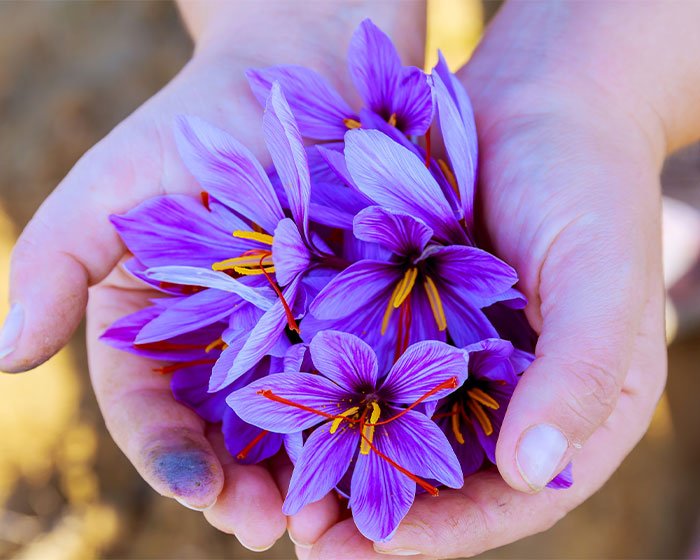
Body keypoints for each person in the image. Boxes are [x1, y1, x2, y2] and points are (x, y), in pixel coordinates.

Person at [1, 1, 694, 557]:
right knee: (602, 236)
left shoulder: (364, 269)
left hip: (431, 275)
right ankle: (640, 223)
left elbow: (386, 284)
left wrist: (594, 103)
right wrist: (592, 92)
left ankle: (640, 211)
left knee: (608, 206)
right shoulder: (312, 275)